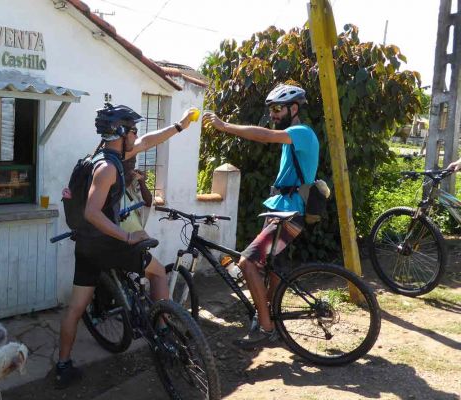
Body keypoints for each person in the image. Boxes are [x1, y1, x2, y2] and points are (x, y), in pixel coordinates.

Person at [55, 104, 194, 388]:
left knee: (76, 308)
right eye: (132, 130)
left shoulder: (99, 157)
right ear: (120, 132)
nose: (136, 135)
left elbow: (147, 142)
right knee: (156, 273)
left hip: (85, 246)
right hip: (107, 245)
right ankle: (163, 330)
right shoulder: (107, 168)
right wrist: (128, 237)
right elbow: (92, 213)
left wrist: (178, 126)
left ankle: (63, 365)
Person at [202, 84, 319, 349]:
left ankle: (267, 329)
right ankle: (268, 317)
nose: (274, 115)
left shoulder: (300, 132)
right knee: (272, 268)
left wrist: (225, 126)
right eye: (271, 110)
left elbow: (265, 136)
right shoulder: (294, 137)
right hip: (281, 207)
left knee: (246, 263)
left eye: (278, 109)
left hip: (288, 213)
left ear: (294, 108)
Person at [119, 156, 153, 233]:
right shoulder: (111, 178)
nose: (132, 166)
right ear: (121, 163)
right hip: (119, 232)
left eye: (134, 162)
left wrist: (142, 182)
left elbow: (148, 202)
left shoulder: (134, 181)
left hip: (135, 231)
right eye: (129, 162)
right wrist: (128, 179)